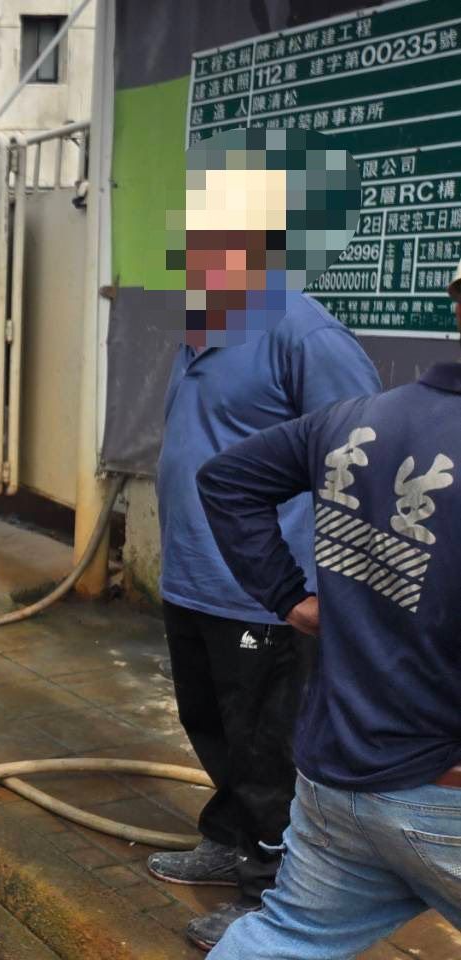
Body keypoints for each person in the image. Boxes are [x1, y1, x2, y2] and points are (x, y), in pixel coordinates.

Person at [150, 128, 381, 948]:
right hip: (189, 579)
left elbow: (363, 462)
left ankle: (271, 892)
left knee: (267, 747)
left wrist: (331, 590)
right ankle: (227, 839)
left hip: (262, 588)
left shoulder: (305, 334)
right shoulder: (204, 326)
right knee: (209, 723)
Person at [193, 266, 461, 959]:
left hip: (335, 773)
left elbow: (226, 479)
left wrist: (288, 597)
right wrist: (287, 596)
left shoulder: (360, 418)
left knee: (285, 936)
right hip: (437, 792)